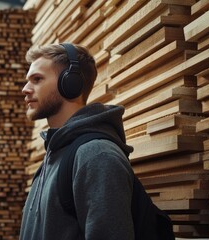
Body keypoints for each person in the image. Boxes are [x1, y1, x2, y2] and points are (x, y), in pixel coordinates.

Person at [19, 43, 135, 240]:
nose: (25, 89)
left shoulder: (96, 156)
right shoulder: (53, 157)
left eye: (37, 79)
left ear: (70, 83)